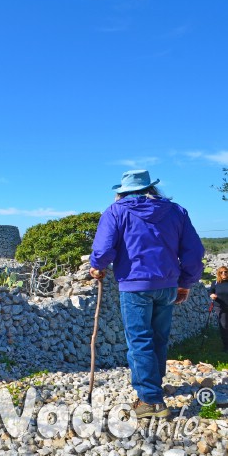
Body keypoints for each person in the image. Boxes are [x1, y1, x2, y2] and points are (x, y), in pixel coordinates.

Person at [89, 169, 204, 419]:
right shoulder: (176, 211)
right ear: (151, 188)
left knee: (139, 340)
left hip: (135, 286)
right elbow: (194, 252)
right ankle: (154, 386)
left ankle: (150, 400)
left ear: (123, 191)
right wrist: (185, 282)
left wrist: (97, 267)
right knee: (159, 338)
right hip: (168, 285)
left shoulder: (116, 211)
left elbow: (104, 248)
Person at [208, 266, 228, 353]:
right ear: (219, 273)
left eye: (226, 272)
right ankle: (226, 347)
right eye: (221, 272)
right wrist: (212, 295)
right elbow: (210, 291)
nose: (224, 273)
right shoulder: (215, 283)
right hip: (220, 307)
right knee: (224, 326)